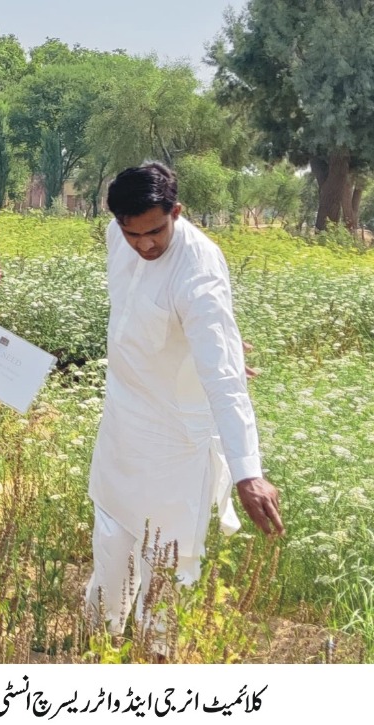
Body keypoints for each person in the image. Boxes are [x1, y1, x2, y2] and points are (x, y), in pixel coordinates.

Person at [87, 162, 284, 642]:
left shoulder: (199, 266)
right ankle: (98, 643)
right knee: (111, 543)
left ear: (176, 211)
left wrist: (248, 472)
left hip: (176, 437)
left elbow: (223, 380)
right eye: (133, 234)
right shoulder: (122, 237)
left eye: (155, 231)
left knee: (169, 557)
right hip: (122, 419)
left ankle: (157, 662)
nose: (145, 245)